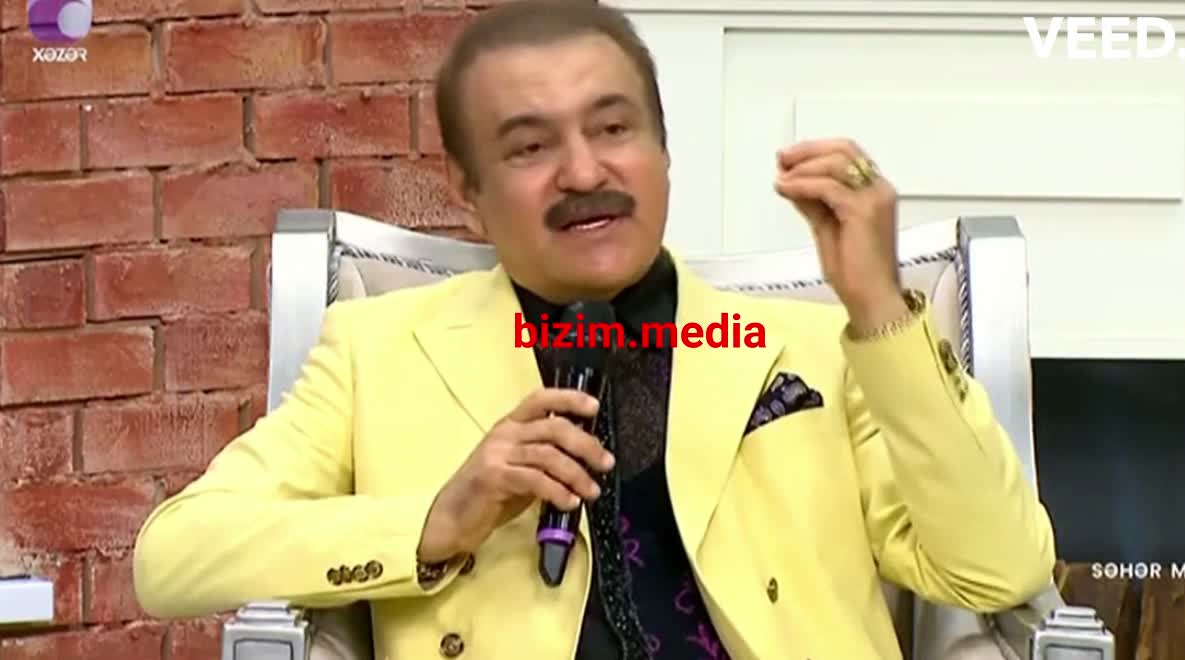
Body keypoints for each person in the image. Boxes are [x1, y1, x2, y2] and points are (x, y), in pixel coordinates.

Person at [132, 1, 1056, 658]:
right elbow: (173, 557)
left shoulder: (817, 347)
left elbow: (999, 571)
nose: (583, 172)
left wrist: (878, 307)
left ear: (663, 150)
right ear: (467, 189)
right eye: (531, 146)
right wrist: (437, 521)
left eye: (613, 129)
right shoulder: (377, 350)